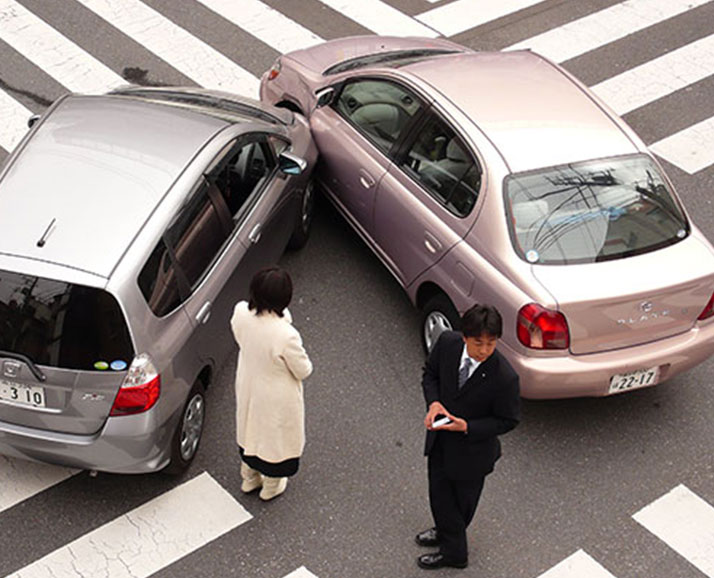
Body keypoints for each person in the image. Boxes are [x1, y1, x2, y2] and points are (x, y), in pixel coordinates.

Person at [416, 304, 520, 570]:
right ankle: (445, 531)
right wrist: (434, 403)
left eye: (491, 343)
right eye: (478, 343)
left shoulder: (505, 377)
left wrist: (467, 426)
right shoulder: (447, 344)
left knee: (461, 504)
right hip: (440, 440)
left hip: (473, 454)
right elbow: (430, 375)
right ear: (464, 336)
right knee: (438, 494)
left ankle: (455, 554)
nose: (484, 350)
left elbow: (508, 420)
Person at [231, 267, 313, 501]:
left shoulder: (240, 313)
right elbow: (304, 370)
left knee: (249, 429)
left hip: (248, 383)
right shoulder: (286, 335)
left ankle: (249, 478)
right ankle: (271, 486)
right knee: (273, 439)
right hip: (276, 396)